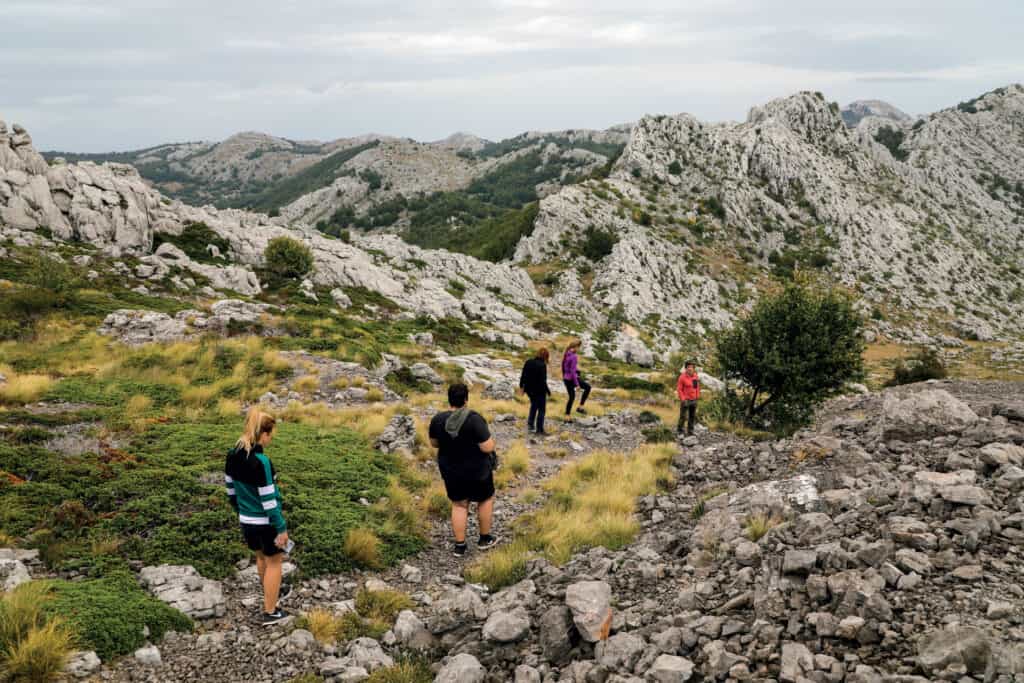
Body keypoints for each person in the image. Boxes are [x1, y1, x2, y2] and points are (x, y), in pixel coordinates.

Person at [225, 407, 291, 626]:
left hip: (246, 520)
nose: (271, 439)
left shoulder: (233, 454)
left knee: (261, 558)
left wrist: (241, 510)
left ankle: (269, 599)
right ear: (264, 434)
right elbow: (269, 500)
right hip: (265, 523)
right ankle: (270, 611)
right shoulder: (261, 462)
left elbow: (230, 490)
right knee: (274, 562)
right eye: (271, 434)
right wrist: (280, 527)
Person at [429, 383, 499, 557]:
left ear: (449, 399)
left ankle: (460, 546)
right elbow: (487, 447)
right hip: (478, 471)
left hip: (451, 470)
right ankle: (484, 539)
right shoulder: (474, 419)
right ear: (466, 399)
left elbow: (434, 443)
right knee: (485, 500)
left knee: (459, 504)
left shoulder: (438, 419)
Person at [519, 347, 552, 435]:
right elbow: (543, 381)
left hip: (529, 390)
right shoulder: (542, 365)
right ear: (546, 357)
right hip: (539, 391)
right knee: (541, 410)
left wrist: (521, 387)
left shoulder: (528, 361)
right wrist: (548, 391)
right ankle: (539, 430)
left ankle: (530, 424)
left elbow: (523, 375)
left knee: (534, 405)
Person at [562, 340, 592, 418]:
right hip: (572, 379)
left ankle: (567, 415)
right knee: (588, 387)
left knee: (571, 397)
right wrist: (577, 384)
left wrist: (564, 376)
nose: (579, 349)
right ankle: (580, 407)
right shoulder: (574, 356)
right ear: (576, 347)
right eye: (579, 347)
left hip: (566, 379)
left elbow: (563, 366)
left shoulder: (566, 353)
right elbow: (572, 371)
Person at [677, 361, 701, 436]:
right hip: (685, 400)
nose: (690, 368)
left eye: (692, 367)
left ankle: (690, 431)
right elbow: (679, 389)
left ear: (694, 368)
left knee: (692, 417)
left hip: (694, 400)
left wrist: (697, 397)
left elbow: (696, 387)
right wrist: (683, 399)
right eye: (688, 367)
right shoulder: (682, 377)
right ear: (686, 368)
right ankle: (680, 431)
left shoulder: (695, 376)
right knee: (683, 417)